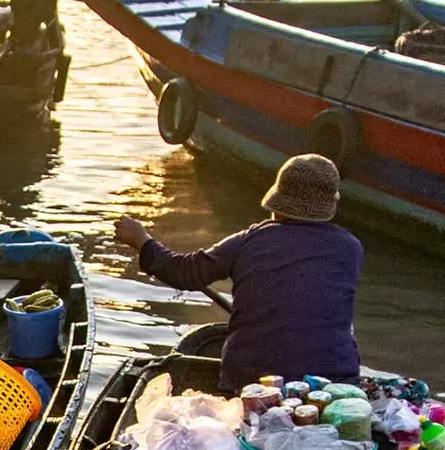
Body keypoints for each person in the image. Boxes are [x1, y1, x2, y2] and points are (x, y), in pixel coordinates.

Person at [114, 152, 362, 391]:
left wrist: (142, 240)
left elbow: (184, 273)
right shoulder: (351, 248)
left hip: (253, 379)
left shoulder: (249, 241)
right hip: (335, 380)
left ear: (276, 205)